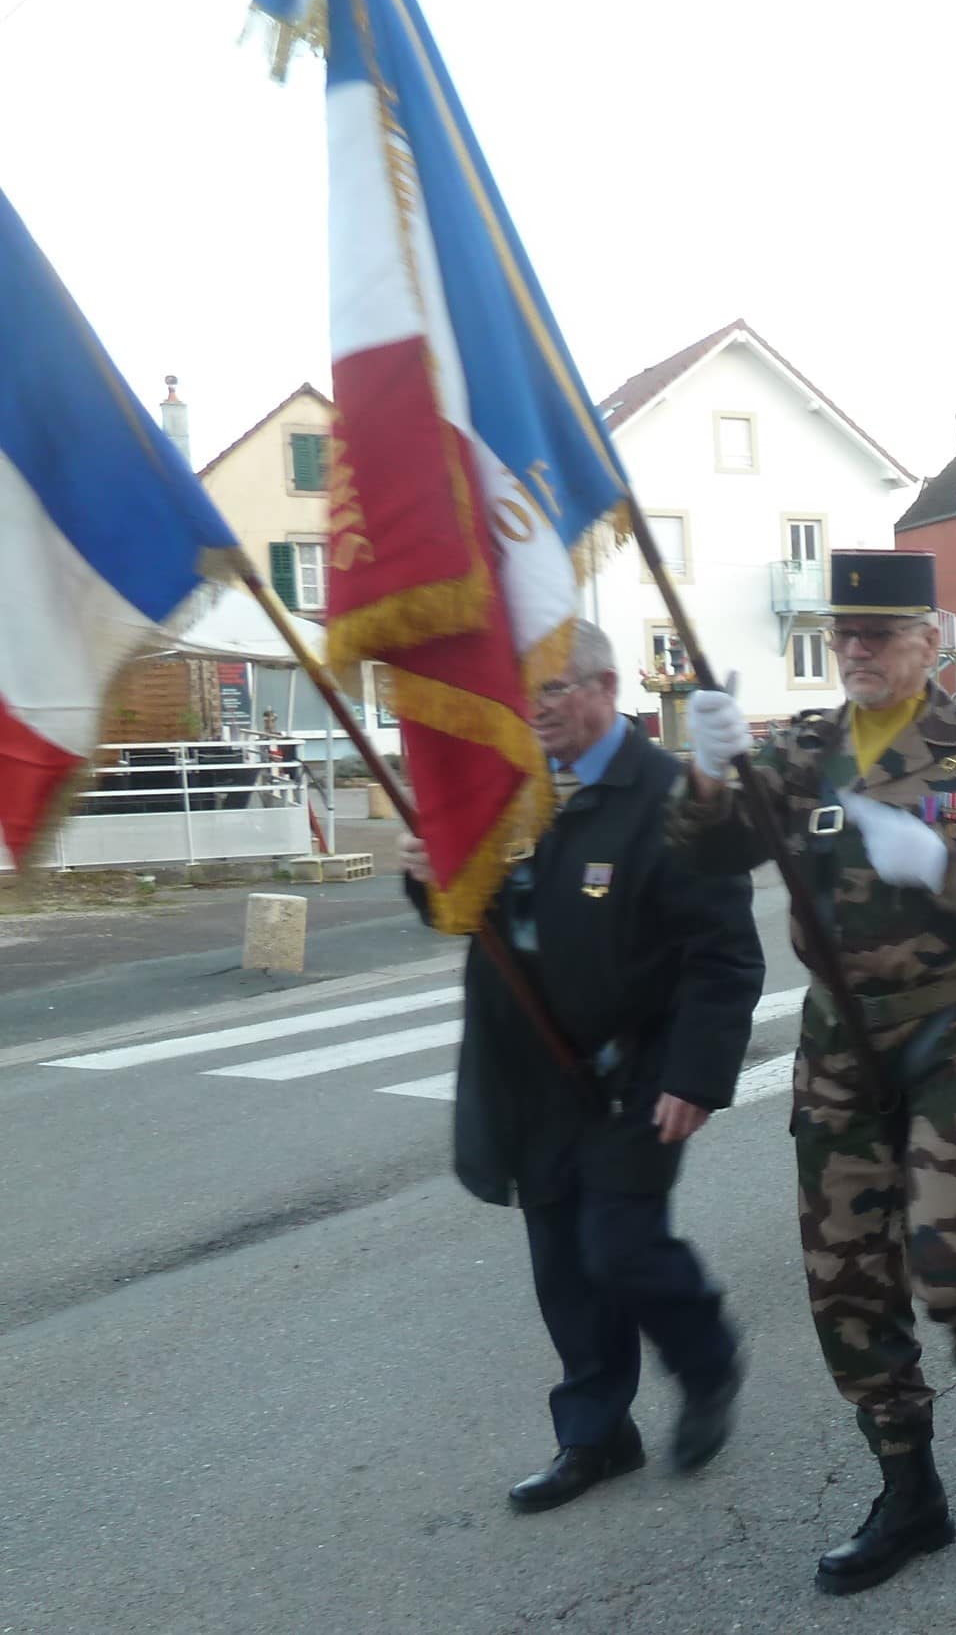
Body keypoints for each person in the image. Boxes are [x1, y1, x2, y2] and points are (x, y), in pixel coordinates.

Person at [673, 551, 956, 1595]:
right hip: (836, 1049)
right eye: (843, 633)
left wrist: (945, 867)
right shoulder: (806, 746)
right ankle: (909, 1490)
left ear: (929, 642)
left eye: (878, 633)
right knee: (845, 1285)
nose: (854, 648)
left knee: (949, 1257)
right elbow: (710, 851)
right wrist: (708, 770)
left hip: (948, 1032)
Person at [398, 620, 765, 1516]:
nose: (537, 708)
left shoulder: (668, 797)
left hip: (635, 1069)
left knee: (621, 1244)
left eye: (555, 689)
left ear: (607, 689)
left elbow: (724, 955)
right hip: (534, 1078)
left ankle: (707, 1360)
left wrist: (695, 1074)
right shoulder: (514, 788)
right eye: (530, 692)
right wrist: (427, 875)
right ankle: (596, 1432)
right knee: (564, 1262)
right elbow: (480, 914)